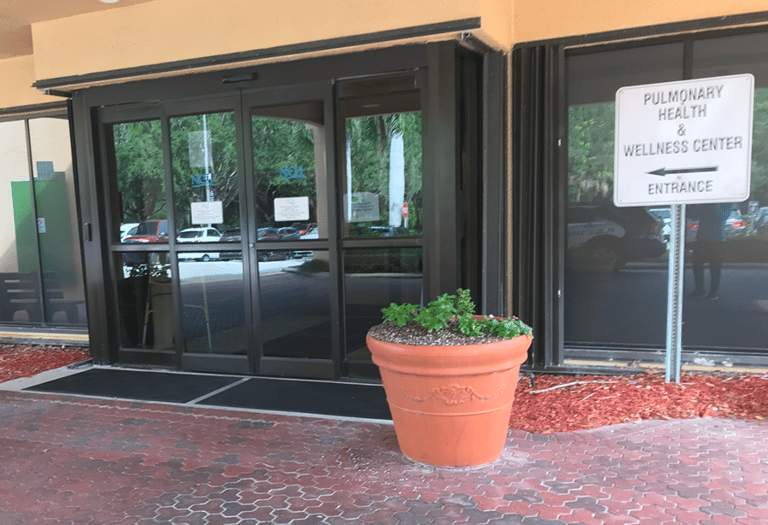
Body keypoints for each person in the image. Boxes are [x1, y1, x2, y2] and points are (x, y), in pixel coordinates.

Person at [688, 203, 731, 300]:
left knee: (715, 267)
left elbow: (723, 217)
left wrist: (715, 203)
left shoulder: (726, 202)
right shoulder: (705, 203)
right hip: (702, 239)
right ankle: (699, 289)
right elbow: (694, 216)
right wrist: (692, 205)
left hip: (717, 240)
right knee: (697, 265)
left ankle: (713, 291)